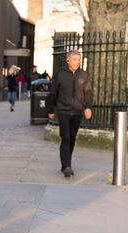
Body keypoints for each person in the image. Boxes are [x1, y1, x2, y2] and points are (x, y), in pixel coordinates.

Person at [47, 50, 93, 178]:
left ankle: (66, 164)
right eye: (74, 59)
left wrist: (88, 107)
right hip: (63, 110)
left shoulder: (83, 75)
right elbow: (53, 93)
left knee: (72, 139)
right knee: (65, 137)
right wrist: (50, 110)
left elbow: (88, 93)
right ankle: (66, 166)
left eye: (79, 59)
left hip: (77, 111)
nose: (77, 62)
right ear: (68, 61)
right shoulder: (60, 74)